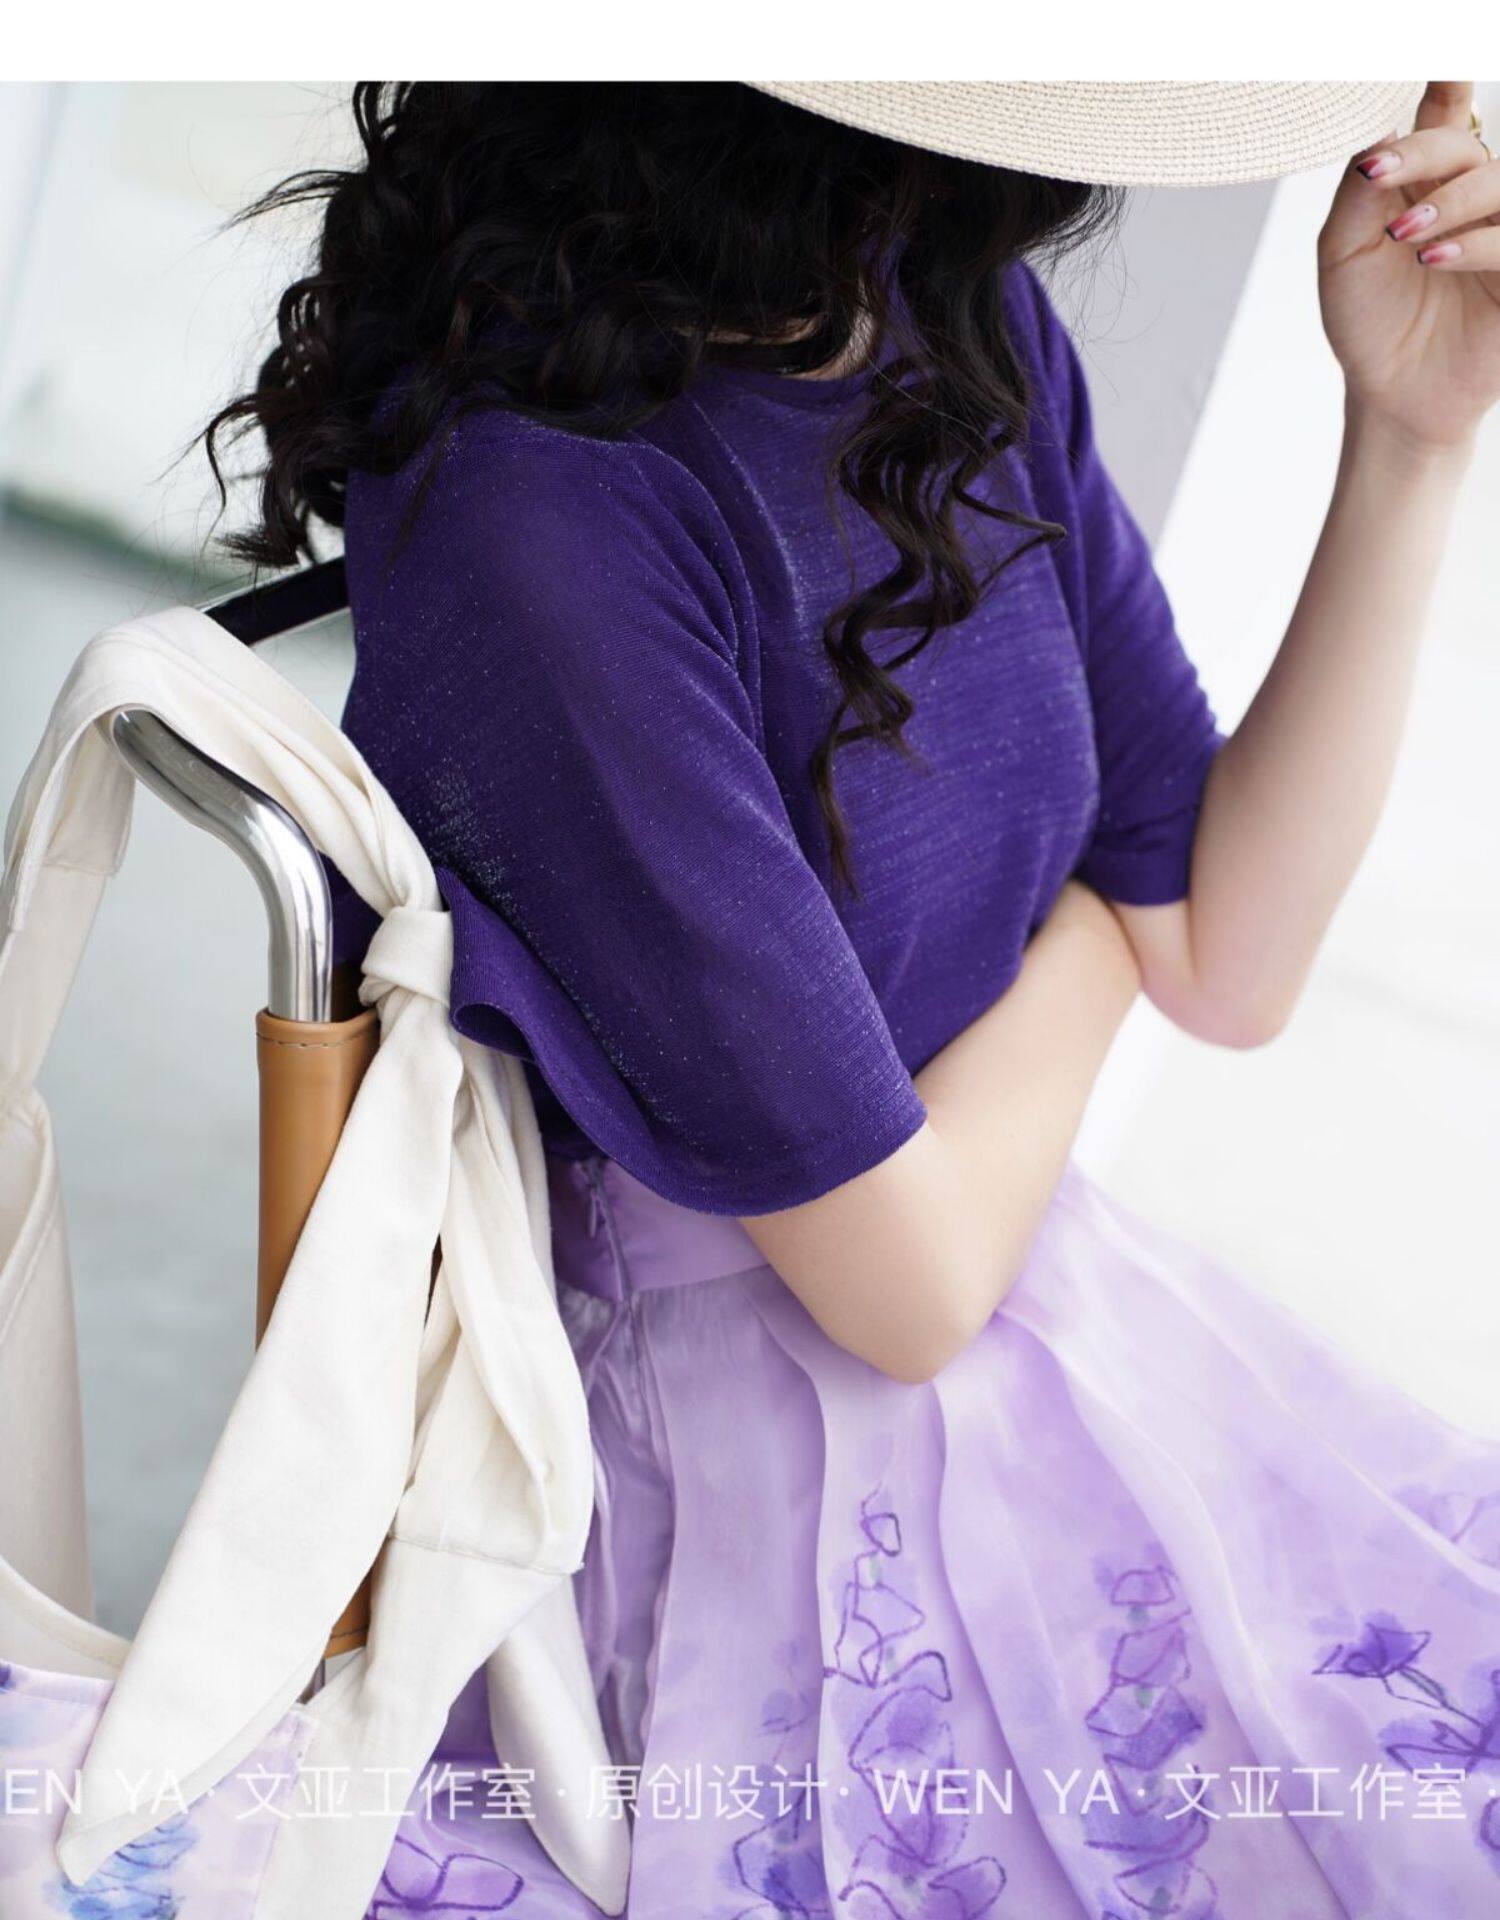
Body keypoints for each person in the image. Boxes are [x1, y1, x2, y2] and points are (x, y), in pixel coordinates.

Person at [209, 79, 1500, 1917]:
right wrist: (1090, 941)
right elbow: (904, 1290)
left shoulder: (931, 307)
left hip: (1035, 1316)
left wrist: (1413, 436)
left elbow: (1227, 951)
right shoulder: (547, 514)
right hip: (759, 1505)